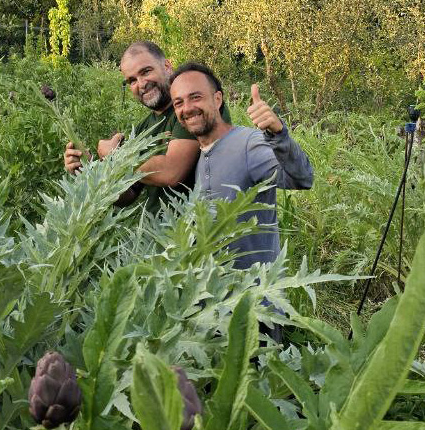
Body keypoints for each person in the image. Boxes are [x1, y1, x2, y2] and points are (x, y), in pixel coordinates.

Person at [169, 62, 313, 268]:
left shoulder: (249, 143)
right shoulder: (198, 155)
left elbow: (302, 178)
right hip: (216, 295)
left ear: (217, 99)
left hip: (255, 296)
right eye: (178, 103)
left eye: (196, 97)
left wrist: (279, 133)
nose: (187, 108)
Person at [63, 41, 230, 212]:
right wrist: (90, 168)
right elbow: (127, 195)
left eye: (146, 71)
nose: (141, 84)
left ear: (167, 66)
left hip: (201, 232)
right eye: (132, 80)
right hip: (160, 234)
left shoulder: (193, 111)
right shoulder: (144, 128)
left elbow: (172, 172)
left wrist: (116, 155)